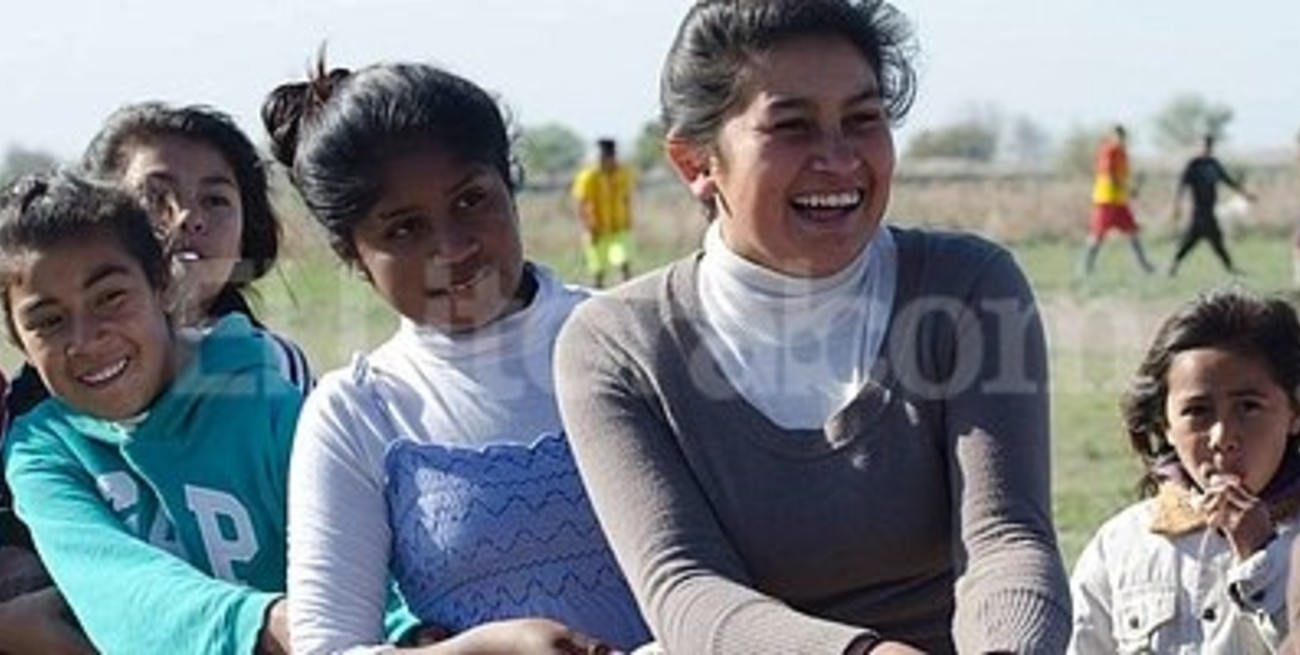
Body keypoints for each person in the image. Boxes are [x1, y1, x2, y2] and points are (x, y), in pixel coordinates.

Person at [553, 1, 1072, 653]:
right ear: (696, 164)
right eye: (791, 127)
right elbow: (685, 587)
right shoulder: (616, 344)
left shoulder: (968, 287)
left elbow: (1008, 536)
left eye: (863, 119)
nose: (838, 158)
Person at [262, 59, 650, 653]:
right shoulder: (357, 414)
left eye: (471, 200)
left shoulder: (631, 337)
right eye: (403, 230)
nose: (453, 247)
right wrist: (482, 649)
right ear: (353, 257)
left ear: (509, 186)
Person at [0, 171, 303, 653]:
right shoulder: (40, 452)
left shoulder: (270, 407)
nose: (86, 339)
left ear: (162, 284)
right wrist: (266, 623)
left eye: (110, 298)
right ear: (20, 340)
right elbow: (119, 592)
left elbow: (365, 567)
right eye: (49, 321)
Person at [1068, 289, 1300, 653]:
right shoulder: (1122, 546)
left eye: (1249, 407)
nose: (1223, 437)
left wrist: (1262, 558)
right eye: (1198, 411)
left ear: (1294, 414)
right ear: (1165, 425)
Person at [1167, 134, 1257, 277]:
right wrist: (1176, 206)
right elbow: (1181, 187)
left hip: (1210, 210)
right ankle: (1173, 266)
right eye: (1204, 145)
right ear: (1199, 146)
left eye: (1209, 145)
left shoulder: (1214, 164)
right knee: (1190, 241)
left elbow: (1229, 181)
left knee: (1217, 242)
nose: (1207, 148)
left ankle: (1230, 268)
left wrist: (1246, 194)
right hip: (1198, 211)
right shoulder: (1193, 165)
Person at [1078, 124, 1154, 275]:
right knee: (1097, 234)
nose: (1121, 139)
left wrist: (1129, 190)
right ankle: (1086, 268)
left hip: (1119, 201)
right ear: (1112, 136)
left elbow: (1121, 177)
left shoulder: (1123, 153)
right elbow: (1110, 175)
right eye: (1118, 135)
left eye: (1123, 136)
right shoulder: (1109, 151)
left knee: (1133, 232)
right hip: (1106, 199)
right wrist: (1128, 189)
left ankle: (1144, 265)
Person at [570, 137, 635, 288]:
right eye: (599, 157)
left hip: (619, 229)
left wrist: (629, 221)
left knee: (623, 263)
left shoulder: (623, 173)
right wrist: (587, 228)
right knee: (598, 271)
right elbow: (581, 204)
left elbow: (627, 198)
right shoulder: (588, 177)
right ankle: (597, 301)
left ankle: (628, 296)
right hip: (597, 231)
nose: (602, 160)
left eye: (606, 157)